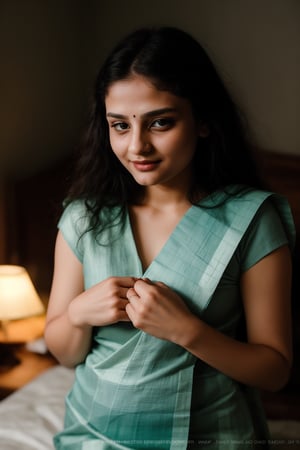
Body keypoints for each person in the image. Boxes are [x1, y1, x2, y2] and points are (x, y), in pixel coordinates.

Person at [44, 26, 295, 450]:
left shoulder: (253, 219)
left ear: (204, 122)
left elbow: (275, 370)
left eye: (160, 122)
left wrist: (187, 331)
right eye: (119, 125)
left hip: (212, 438)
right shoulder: (83, 218)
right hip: (92, 436)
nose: (137, 146)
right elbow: (66, 354)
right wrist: (78, 314)